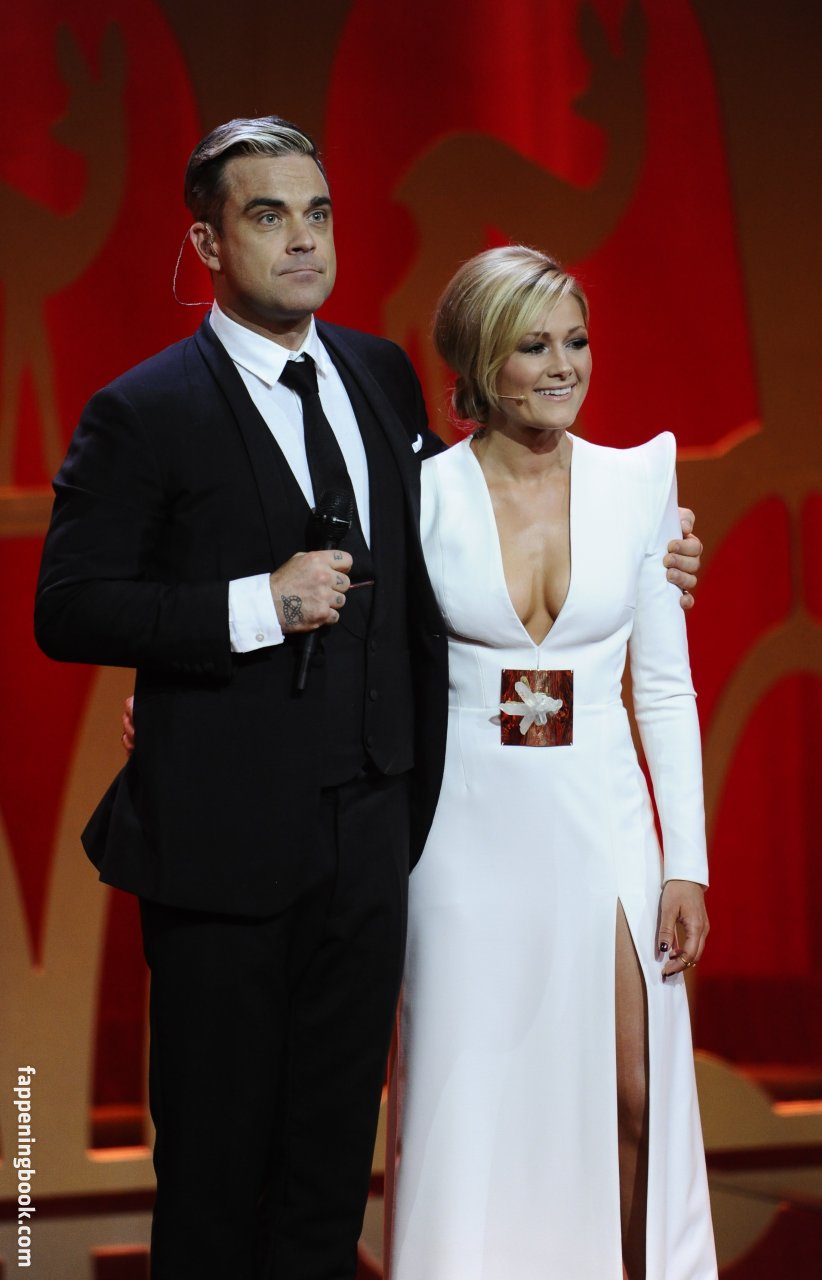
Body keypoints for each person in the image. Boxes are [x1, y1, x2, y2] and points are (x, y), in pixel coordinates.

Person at [34, 116, 702, 1279]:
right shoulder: (144, 409)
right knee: (217, 1174)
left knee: (328, 1178)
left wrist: (651, 553)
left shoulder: (377, 376)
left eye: (319, 212)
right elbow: (72, 606)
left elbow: (438, 561)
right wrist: (247, 612)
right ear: (207, 242)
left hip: (375, 847)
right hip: (226, 852)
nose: (303, 238)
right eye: (267, 215)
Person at [386, 246, 716, 1280]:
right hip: (461, 836)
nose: (564, 365)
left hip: (601, 818)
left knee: (636, 1093)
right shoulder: (419, 493)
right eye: (535, 346)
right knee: (467, 1108)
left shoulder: (638, 482)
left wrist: (686, 862)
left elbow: (663, 687)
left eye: (576, 341)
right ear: (482, 362)